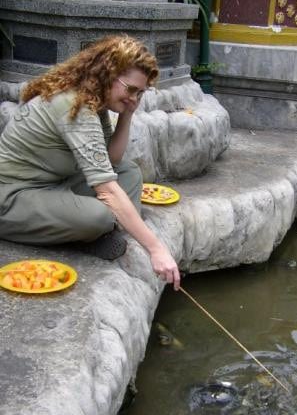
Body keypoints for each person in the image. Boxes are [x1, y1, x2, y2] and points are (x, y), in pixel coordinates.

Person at [0, 35, 180, 290]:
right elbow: (105, 189)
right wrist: (156, 248)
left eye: (140, 93)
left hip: (54, 185)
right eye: (130, 89)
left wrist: (128, 114)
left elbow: (111, 161)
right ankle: (86, 233)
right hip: (12, 198)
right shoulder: (75, 105)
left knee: (128, 172)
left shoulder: (95, 101)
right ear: (108, 74)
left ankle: (94, 229)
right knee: (100, 214)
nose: (134, 98)